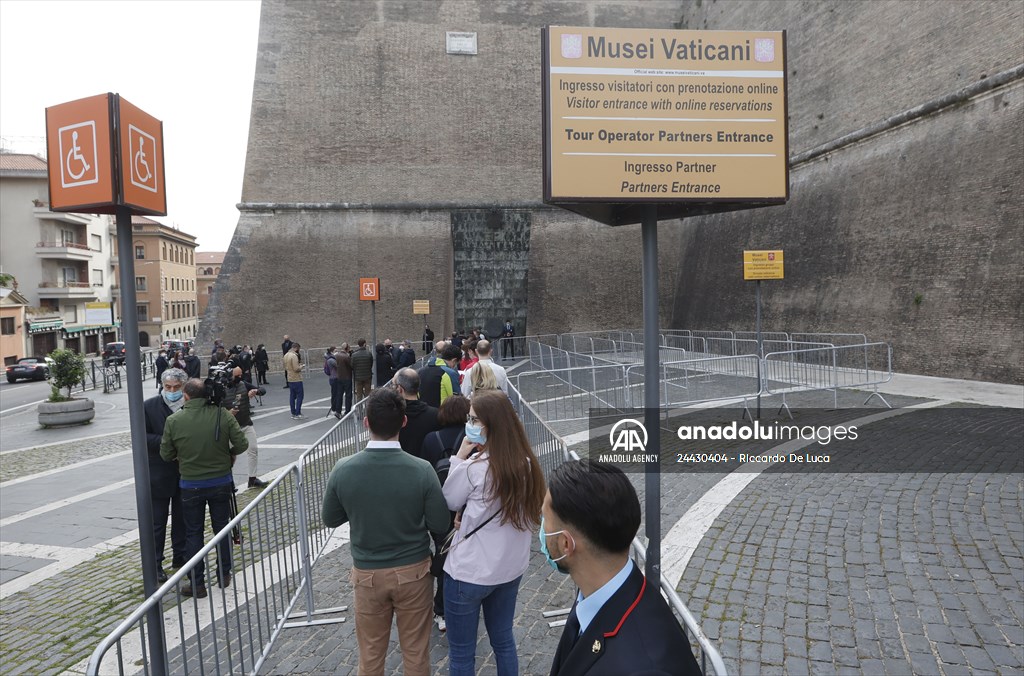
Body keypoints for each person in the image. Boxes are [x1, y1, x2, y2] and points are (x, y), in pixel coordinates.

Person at [321, 388, 451, 676]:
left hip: (368, 573)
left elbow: (330, 518)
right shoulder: (422, 470)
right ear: (403, 423)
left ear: (366, 422)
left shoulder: (344, 469)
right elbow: (440, 524)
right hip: (413, 572)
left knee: (370, 655)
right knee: (416, 653)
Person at [545, 460, 702, 675]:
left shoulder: (645, 668)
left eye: (545, 518)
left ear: (566, 543)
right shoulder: (601, 590)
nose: (541, 528)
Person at [442, 389, 546, 676]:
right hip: (509, 569)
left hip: (469, 571)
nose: (470, 424)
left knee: (462, 654)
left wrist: (458, 458)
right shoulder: (525, 464)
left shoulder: (476, 469)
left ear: (491, 424)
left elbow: (450, 499)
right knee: (503, 641)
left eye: (474, 419)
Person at [160, 378, 249, 598]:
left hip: (190, 485)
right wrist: (227, 454)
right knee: (223, 528)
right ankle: (224, 573)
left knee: (193, 533)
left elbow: (165, 454)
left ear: (186, 396)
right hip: (220, 482)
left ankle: (197, 584)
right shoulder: (223, 415)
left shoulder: (174, 420)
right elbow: (242, 444)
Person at [419, 394, 470, 633]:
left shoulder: (430, 439)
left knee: (443, 552)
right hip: (464, 507)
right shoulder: (471, 440)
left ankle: (441, 609)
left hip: (438, 507)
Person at [143, 367, 187, 582]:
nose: (172, 391)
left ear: (183, 387)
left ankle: (180, 557)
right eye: (168, 387)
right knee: (157, 523)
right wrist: (167, 443)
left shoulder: (190, 406)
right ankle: (156, 563)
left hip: (185, 474)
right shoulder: (149, 406)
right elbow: (142, 436)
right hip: (159, 474)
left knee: (183, 520)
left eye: (176, 388)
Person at [222, 366, 269, 489]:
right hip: (229, 427)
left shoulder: (243, 384)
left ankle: (252, 479)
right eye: (237, 376)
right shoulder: (222, 389)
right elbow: (214, 411)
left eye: (240, 375)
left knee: (253, 449)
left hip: (246, 423)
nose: (240, 377)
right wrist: (227, 413)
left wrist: (256, 391)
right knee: (229, 456)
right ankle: (229, 482)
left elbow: (263, 390)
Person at [394, 368, 439, 461]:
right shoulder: (435, 415)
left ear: (399, 389)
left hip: (398, 466)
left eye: (393, 385)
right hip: (427, 467)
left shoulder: (391, 415)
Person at [418, 344, 461, 408]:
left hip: (423, 411)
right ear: (454, 360)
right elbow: (457, 398)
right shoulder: (450, 373)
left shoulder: (421, 371)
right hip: (442, 413)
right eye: (456, 364)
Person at [284, 342, 305, 419]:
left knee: (292, 396)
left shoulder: (286, 355)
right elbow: (296, 369)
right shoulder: (294, 356)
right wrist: (301, 366)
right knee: (300, 396)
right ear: (296, 348)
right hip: (296, 378)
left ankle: (293, 412)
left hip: (290, 378)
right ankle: (298, 413)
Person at [335, 342, 353, 416]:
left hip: (339, 377)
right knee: (348, 395)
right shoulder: (346, 357)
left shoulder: (337, 355)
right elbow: (351, 366)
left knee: (339, 394)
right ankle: (347, 411)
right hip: (347, 377)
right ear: (347, 348)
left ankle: (338, 410)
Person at [325, 346, 342, 417]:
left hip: (334, 378)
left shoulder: (331, 359)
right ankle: (334, 408)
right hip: (334, 378)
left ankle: (335, 408)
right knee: (335, 394)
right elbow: (338, 365)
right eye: (335, 351)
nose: (337, 352)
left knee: (336, 393)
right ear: (332, 352)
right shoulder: (331, 360)